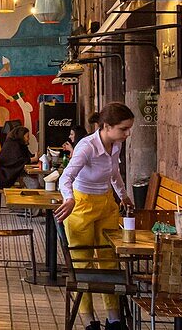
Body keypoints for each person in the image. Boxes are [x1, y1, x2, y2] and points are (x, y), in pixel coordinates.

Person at [55, 102, 136, 330]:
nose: (127, 133)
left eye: (129, 129)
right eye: (123, 129)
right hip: (81, 206)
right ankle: (90, 320)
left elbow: (114, 174)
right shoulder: (87, 146)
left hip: (107, 205)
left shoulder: (116, 144)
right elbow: (65, 177)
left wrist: (123, 196)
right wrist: (69, 199)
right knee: (83, 262)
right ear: (106, 126)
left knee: (110, 259)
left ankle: (114, 318)